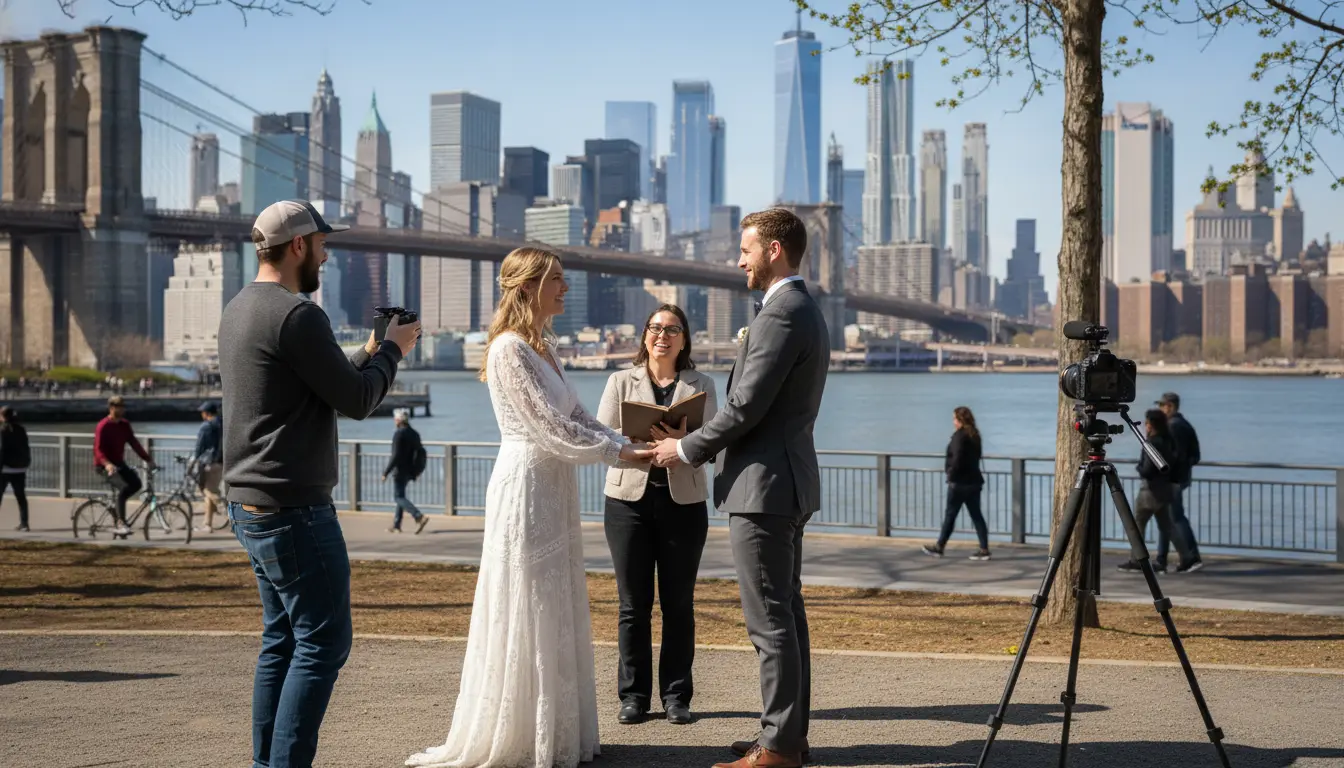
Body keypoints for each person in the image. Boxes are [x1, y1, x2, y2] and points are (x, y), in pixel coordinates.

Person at [406, 247, 653, 768]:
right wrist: (620, 452)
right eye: (557, 280)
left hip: (554, 484)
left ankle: (558, 731)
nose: (566, 288)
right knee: (528, 597)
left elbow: (579, 415)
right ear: (526, 287)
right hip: (525, 486)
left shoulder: (545, 346)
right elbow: (549, 427)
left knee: (555, 597)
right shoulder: (509, 350)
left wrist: (630, 439)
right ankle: (519, 734)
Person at [219, 199, 421, 768]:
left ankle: (266, 763)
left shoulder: (240, 309)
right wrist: (393, 352)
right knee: (323, 644)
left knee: (282, 639)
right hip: (295, 510)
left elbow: (314, 375)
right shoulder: (298, 314)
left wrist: (367, 349)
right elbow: (356, 400)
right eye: (323, 245)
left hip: (250, 502)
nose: (328, 256)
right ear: (299, 246)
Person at [649, 208, 829, 768]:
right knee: (787, 618)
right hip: (786, 481)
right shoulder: (803, 309)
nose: (738, 259)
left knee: (770, 622)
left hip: (764, 488)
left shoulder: (782, 313)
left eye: (746, 249)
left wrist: (684, 448)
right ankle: (785, 737)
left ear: (774, 250)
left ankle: (777, 751)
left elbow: (747, 406)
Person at [595, 304, 718, 726]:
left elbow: (714, 448)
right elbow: (601, 438)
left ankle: (676, 697)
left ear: (685, 339)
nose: (662, 335)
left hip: (683, 504)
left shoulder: (702, 384)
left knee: (679, 605)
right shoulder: (619, 381)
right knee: (633, 605)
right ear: (644, 336)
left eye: (672, 329)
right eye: (654, 328)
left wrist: (688, 444)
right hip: (628, 502)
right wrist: (634, 444)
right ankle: (633, 697)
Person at [1118, 408, 1200, 574]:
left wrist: (1139, 468)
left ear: (1151, 425)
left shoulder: (1152, 443)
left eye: (1147, 423)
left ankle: (1137, 559)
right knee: (1166, 526)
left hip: (1149, 491)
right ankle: (1186, 557)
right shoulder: (1169, 441)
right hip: (1166, 490)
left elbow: (1147, 469)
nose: (1145, 426)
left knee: (1137, 525)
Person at [922, 406, 991, 560]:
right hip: (974, 482)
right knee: (977, 516)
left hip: (959, 483)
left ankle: (939, 547)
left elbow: (957, 458)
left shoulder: (959, 436)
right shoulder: (975, 435)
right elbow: (976, 456)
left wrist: (950, 474)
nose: (953, 422)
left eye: (954, 419)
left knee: (950, 515)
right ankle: (984, 549)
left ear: (960, 420)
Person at [94, 395, 155, 537]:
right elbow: (98, 449)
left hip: (119, 464)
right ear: (111, 408)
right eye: (119, 407)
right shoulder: (103, 426)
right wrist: (107, 464)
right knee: (124, 488)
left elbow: (134, 443)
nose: (122, 410)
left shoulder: (124, 425)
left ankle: (119, 511)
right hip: (104, 466)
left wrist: (148, 459)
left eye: (123, 407)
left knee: (137, 484)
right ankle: (121, 523)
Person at [1156, 392, 1203, 572]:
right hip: (1177, 478)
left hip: (1172, 480)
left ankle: (1190, 557)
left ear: (1170, 406)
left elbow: (1173, 456)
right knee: (1168, 518)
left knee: (1175, 518)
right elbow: (1195, 456)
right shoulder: (1182, 425)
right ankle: (1163, 559)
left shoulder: (1174, 427)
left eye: (1162, 405)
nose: (1160, 409)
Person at [383, 407, 428, 534]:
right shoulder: (414, 433)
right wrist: (418, 470)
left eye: (395, 419)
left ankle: (418, 516)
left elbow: (395, 455)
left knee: (398, 497)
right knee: (401, 495)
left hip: (400, 470)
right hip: (410, 470)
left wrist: (386, 472)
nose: (394, 421)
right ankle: (397, 525)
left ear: (398, 420)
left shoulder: (399, 434)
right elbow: (420, 453)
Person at [193, 401, 224, 533]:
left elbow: (199, 446)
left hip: (208, 463)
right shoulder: (223, 423)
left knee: (207, 491)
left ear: (206, 413)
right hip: (221, 462)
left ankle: (226, 510)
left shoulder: (206, 426)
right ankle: (207, 524)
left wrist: (195, 459)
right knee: (209, 493)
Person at [0, 406, 31, 531]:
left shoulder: (2, 430)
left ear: (2, 416)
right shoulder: (21, 429)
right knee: (21, 497)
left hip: (5, 469)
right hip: (20, 468)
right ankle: (24, 523)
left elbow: (1, 450)